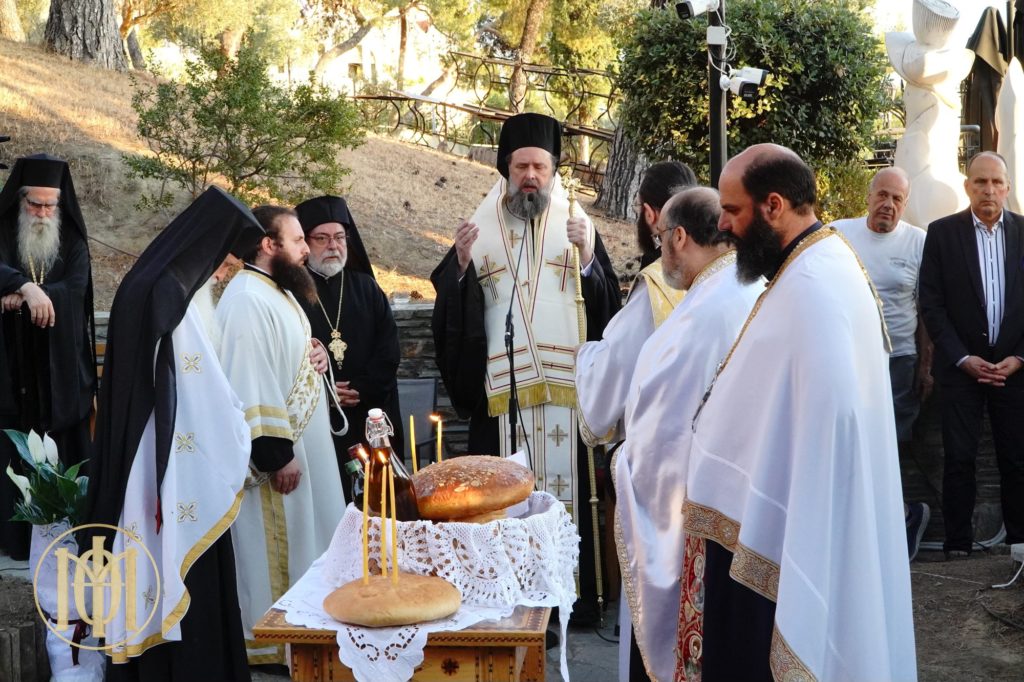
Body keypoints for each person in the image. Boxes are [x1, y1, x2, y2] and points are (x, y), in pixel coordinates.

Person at [679, 144, 915, 680]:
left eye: (732, 210)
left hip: (791, 536)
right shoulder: (814, 263)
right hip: (774, 521)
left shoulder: (813, 285)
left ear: (774, 206)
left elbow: (822, 427)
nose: (722, 225)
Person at [430, 113, 621, 625]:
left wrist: (588, 257)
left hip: (564, 396)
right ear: (505, 168)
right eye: (521, 167)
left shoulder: (578, 223)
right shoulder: (480, 227)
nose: (531, 176)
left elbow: (609, 309)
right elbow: (449, 309)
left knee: (565, 497)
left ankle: (571, 603)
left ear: (554, 170)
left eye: (540, 166)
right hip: (502, 396)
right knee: (504, 502)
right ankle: (510, 596)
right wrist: (461, 266)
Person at [85, 187, 263, 681]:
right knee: (185, 571)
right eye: (225, 262)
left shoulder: (146, 281)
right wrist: (240, 428)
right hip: (173, 469)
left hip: (141, 459)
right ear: (207, 248)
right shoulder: (173, 294)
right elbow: (203, 395)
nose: (223, 274)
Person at [614, 187, 759, 682]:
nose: (660, 252)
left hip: (701, 514)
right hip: (748, 508)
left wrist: (624, 463)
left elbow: (663, 433)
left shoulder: (701, 315)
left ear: (679, 237)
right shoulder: (750, 286)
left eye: (660, 239)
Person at [217, 205, 345, 665]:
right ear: (268, 245)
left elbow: (284, 356)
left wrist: (315, 352)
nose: (306, 249)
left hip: (305, 446)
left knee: (313, 536)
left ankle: (311, 633)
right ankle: (277, 645)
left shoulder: (275, 290)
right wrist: (276, 455)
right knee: (282, 544)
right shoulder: (247, 299)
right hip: (282, 456)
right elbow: (249, 381)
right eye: (297, 241)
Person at [919, 151, 1024, 559]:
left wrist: (1019, 358)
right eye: (980, 181)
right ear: (967, 187)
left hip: (1014, 369)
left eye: (996, 182)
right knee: (959, 459)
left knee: (1016, 458)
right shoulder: (942, 234)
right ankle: (958, 545)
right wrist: (962, 358)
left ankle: (1018, 543)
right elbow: (931, 304)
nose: (989, 190)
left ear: (1007, 187)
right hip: (961, 369)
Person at [830, 166, 933, 560]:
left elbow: (926, 310)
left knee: (888, 446)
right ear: (869, 196)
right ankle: (885, 523)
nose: (888, 204)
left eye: (897, 199)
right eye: (883, 195)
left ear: (905, 205)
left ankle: (899, 519)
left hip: (899, 361)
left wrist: (925, 366)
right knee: (851, 445)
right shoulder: (839, 235)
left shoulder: (917, 242)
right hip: (850, 359)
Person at [0, 153, 96, 561]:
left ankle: (65, 534)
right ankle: (13, 539)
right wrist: (25, 285)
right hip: (10, 367)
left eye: (49, 205)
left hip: (59, 371)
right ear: (20, 200)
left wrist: (27, 296)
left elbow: (76, 289)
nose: (41, 213)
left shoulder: (72, 239)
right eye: (34, 204)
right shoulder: (4, 231)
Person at [575, 161, 694, 447]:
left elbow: (617, 364)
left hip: (664, 444)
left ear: (650, 214)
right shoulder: (732, 269)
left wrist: (585, 357)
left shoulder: (657, 285)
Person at [295, 195, 403, 497]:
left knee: (381, 499)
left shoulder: (366, 287)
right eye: (322, 238)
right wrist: (326, 393)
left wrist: (361, 388)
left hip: (370, 411)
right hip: (322, 420)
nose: (333, 245)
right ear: (305, 243)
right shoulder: (292, 292)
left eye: (340, 237)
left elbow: (389, 349)